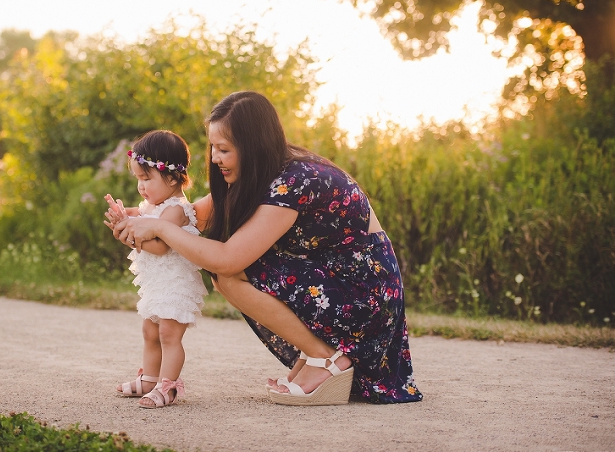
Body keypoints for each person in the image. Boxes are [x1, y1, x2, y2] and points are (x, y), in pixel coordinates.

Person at [110, 91, 423, 406]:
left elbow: (228, 259)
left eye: (224, 149)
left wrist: (159, 227)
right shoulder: (262, 173)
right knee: (225, 271)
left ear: (251, 146)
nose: (215, 158)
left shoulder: (294, 182)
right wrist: (141, 221)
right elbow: (193, 215)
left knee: (228, 274)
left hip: (365, 292)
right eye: (212, 148)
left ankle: (326, 359)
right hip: (339, 280)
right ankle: (318, 354)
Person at [104, 129, 207, 409]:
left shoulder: (176, 210)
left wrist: (128, 238)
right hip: (156, 284)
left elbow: (161, 246)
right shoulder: (152, 205)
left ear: (172, 178)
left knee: (168, 335)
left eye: (146, 178)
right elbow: (137, 216)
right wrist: (121, 217)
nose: (141, 186)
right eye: (138, 179)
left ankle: (168, 386)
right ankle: (149, 379)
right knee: (149, 332)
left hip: (175, 284)